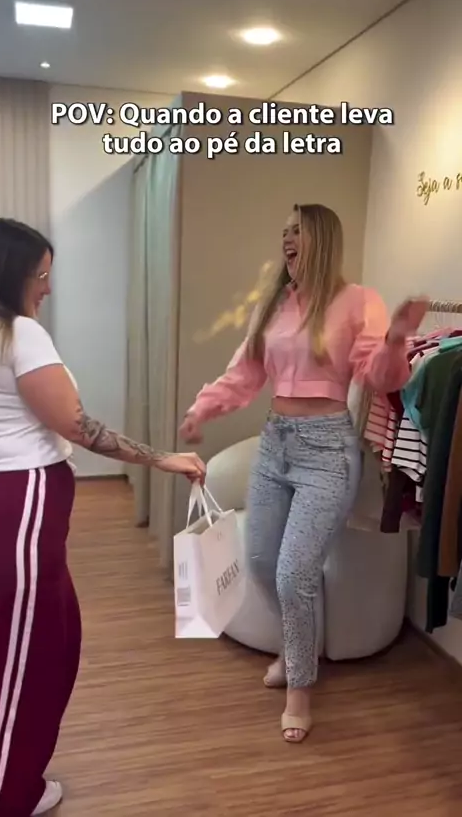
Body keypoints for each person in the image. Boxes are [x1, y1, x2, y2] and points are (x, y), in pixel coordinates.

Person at [179, 203, 428, 744]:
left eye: (298, 230)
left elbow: (382, 377)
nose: (287, 238)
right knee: (261, 562)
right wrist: (202, 409)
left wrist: (395, 339)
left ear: (322, 238)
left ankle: (300, 686)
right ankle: (301, 648)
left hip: (327, 451)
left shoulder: (358, 301)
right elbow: (244, 372)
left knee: (295, 573)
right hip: (275, 444)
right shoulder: (275, 304)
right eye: (284, 231)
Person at [0, 218, 205, 817]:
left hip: (0, 505)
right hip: (22, 504)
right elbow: (78, 426)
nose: (48, 287)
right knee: (21, 659)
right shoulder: (19, 334)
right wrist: (162, 458)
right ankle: (2, 798)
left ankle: (11, 776)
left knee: (48, 638)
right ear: (16, 273)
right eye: (42, 275)